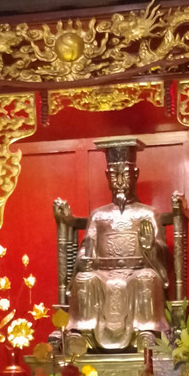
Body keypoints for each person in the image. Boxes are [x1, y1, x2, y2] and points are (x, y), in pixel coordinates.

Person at [63, 139, 170, 351]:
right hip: (103, 271)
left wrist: (150, 246)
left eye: (126, 176)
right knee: (84, 280)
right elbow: (87, 245)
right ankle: (84, 334)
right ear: (107, 178)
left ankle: (145, 332)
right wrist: (84, 259)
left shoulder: (148, 213)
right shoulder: (98, 215)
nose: (120, 182)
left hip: (137, 269)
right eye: (114, 176)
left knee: (147, 279)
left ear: (135, 175)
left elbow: (161, 249)